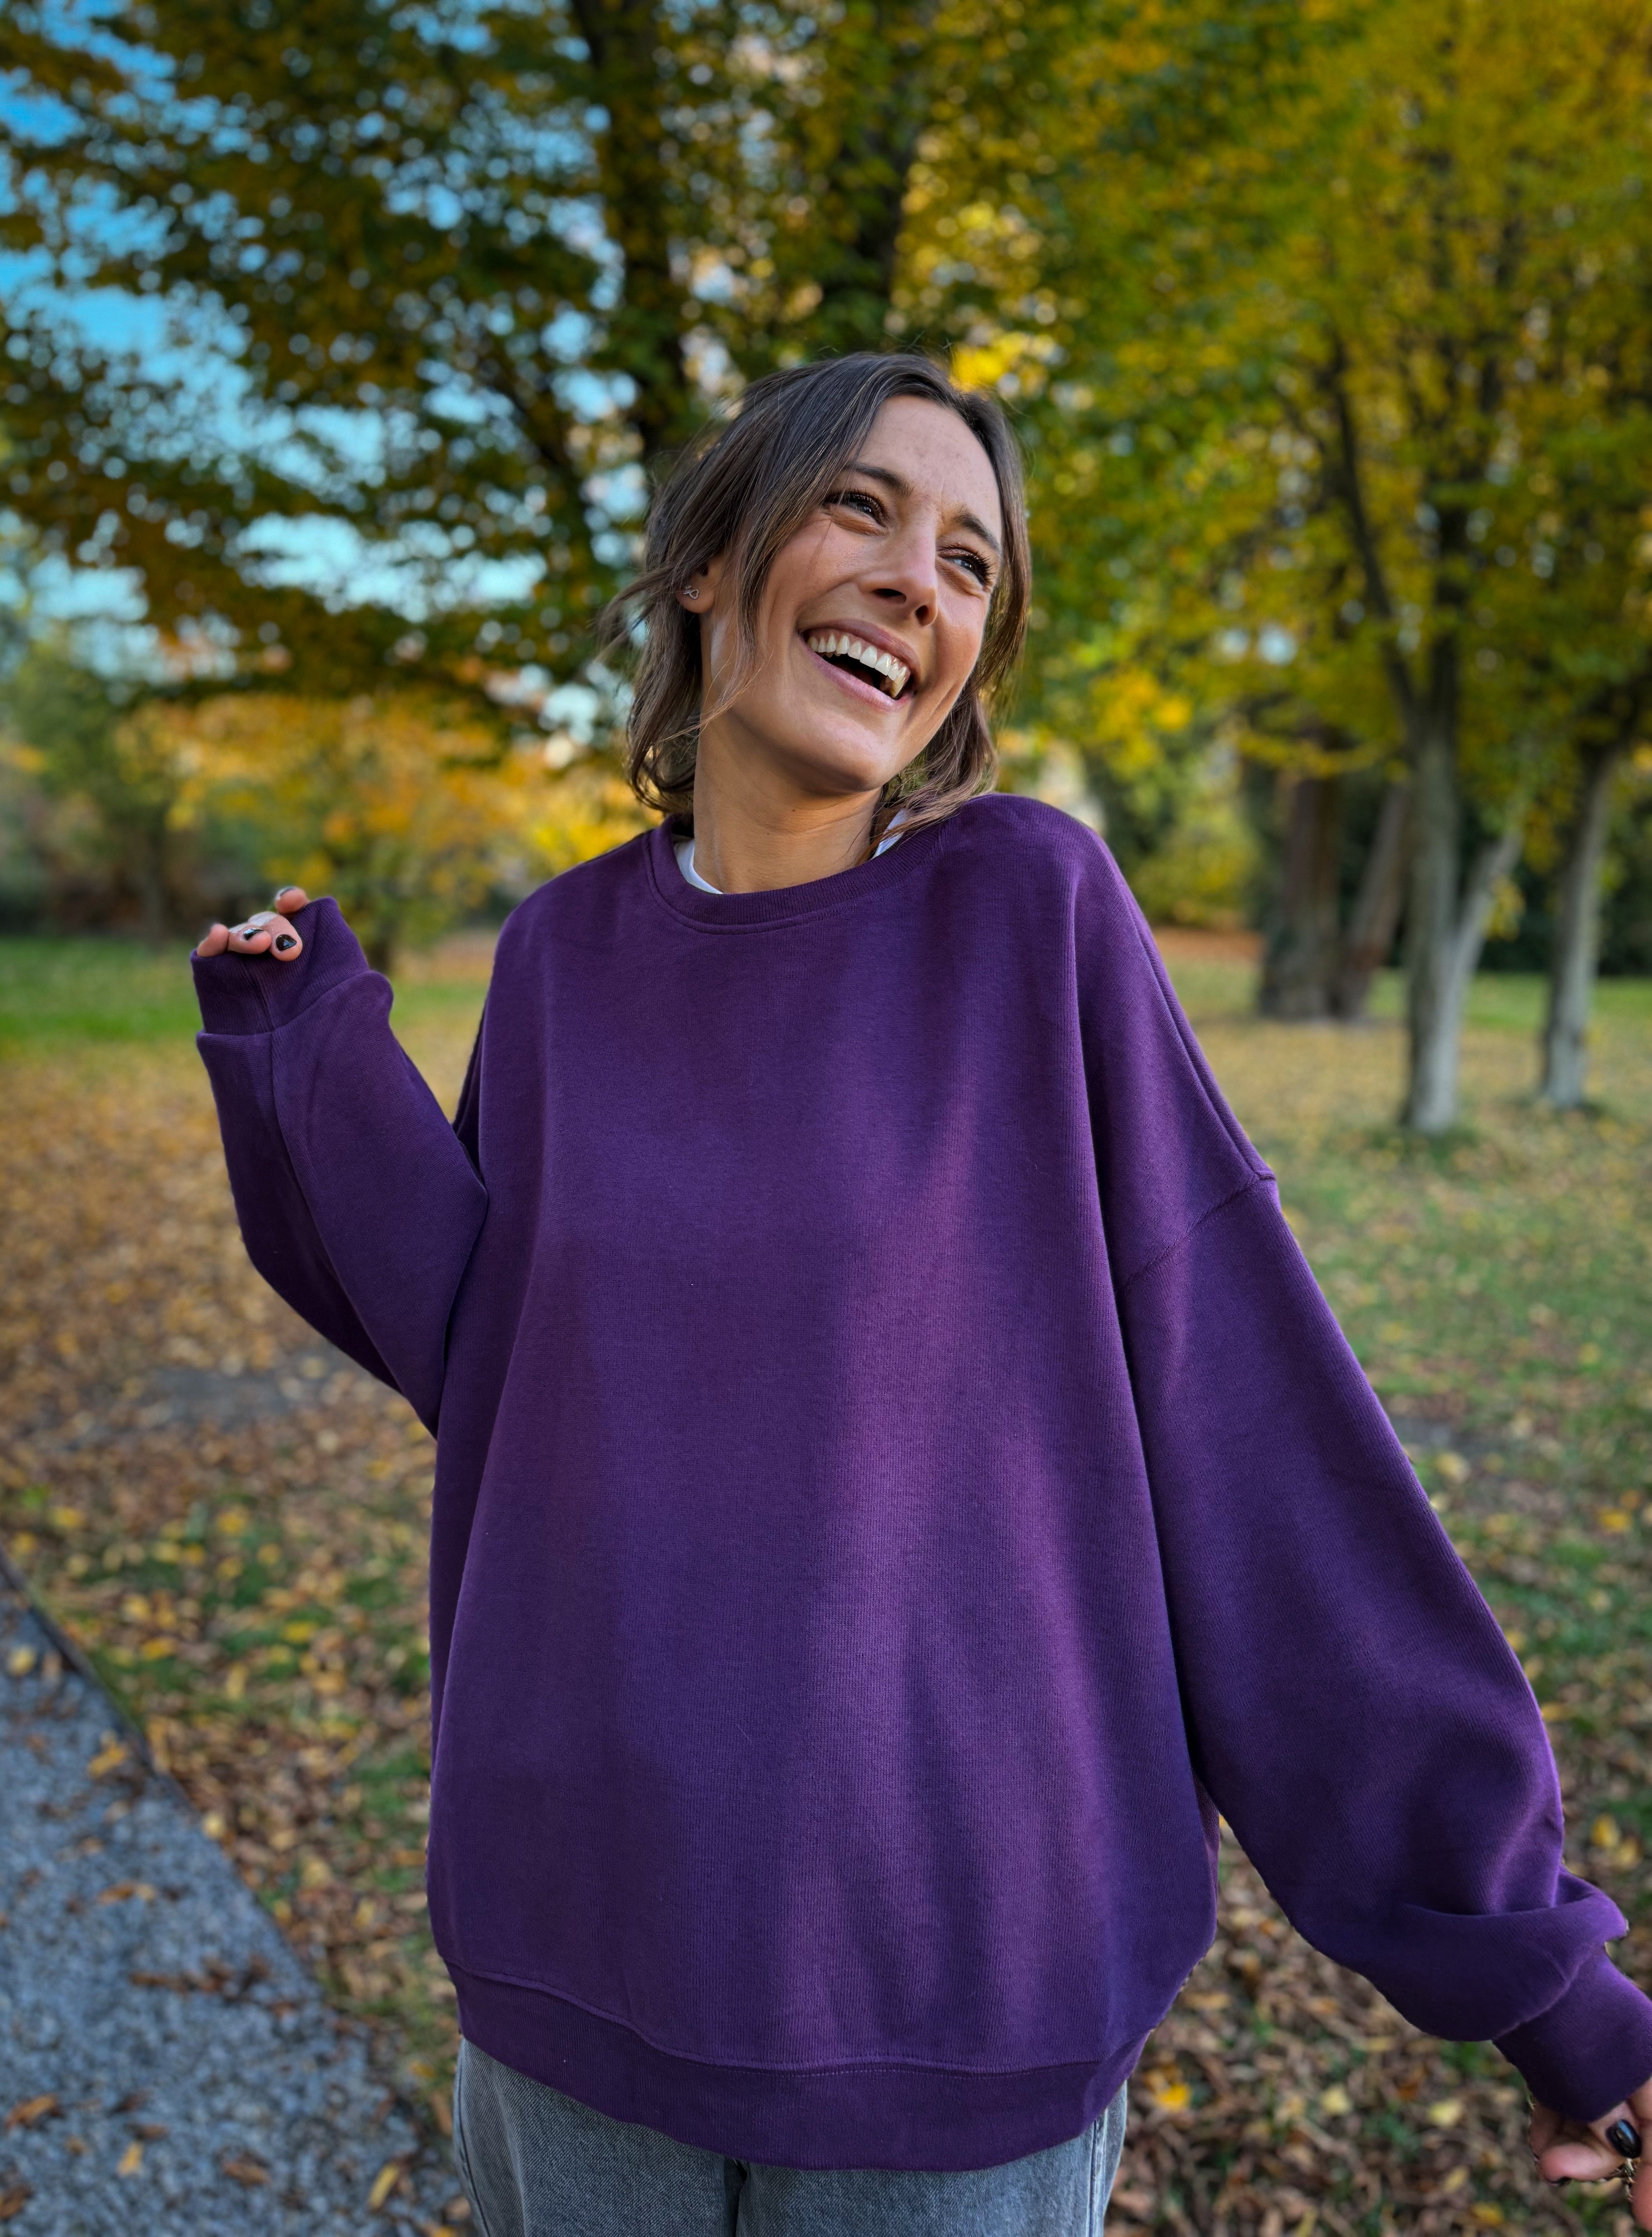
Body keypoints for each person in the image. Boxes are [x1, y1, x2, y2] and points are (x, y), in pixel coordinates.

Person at [190, 352, 1652, 2237]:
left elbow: (1259, 1440)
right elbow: (495, 1357)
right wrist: (299, 1047)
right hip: (578, 1962)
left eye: (971, 562)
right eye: (861, 508)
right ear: (710, 561)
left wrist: (1541, 1977)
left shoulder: (1032, 913)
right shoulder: (562, 955)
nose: (918, 581)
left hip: (958, 2004)